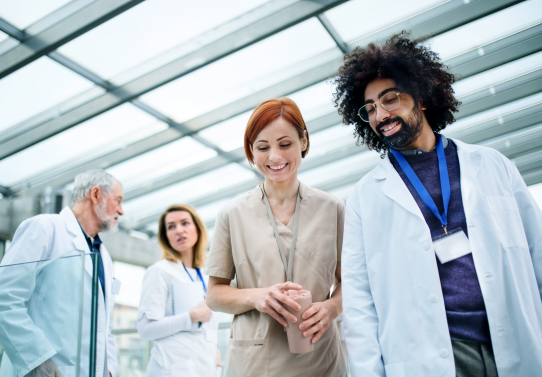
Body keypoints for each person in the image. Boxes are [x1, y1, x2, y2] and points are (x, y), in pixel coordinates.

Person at [334, 31, 542, 377]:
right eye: (370, 108)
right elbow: (359, 302)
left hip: (515, 339)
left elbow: (537, 252)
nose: (380, 115)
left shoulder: (492, 165)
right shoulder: (364, 198)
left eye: (390, 99)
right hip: (428, 356)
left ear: (423, 98)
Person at [205, 98, 348, 377]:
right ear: (250, 151)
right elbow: (214, 295)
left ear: (303, 142)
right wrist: (257, 297)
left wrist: (331, 308)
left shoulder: (332, 209)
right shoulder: (233, 214)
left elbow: (351, 281)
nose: (274, 157)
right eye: (262, 147)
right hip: (255, 362)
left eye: (285, 144)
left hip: (320, 359)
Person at [0, 169, 124, 377]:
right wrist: (38, 361)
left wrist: (109, 367)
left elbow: (105, 323)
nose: (121, 211)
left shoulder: (103, 255)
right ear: (95, 195)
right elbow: (2, 298)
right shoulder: (44, 228)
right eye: (118, 200)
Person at [137, 204, 221, 377]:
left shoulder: (207, 275)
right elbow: (146, 330)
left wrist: (213, 348)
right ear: (166, 236)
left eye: (185, 223)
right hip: (171, 368)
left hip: (205, 367)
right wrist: (191, 316)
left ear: (197, 229)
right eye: (171, 227)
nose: (179, 231)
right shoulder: (160, 271)